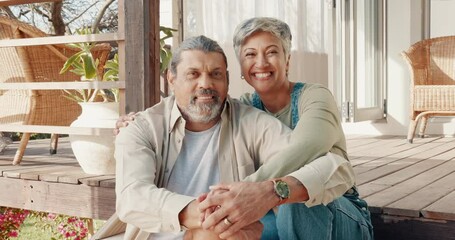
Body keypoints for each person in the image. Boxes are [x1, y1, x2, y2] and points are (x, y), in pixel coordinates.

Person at [113, 18, 373, 240]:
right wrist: (217, 211)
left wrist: (258, 193)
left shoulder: (299, 102)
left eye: (215, 74)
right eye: (193, 74)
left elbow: (318, 156)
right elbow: (132, 197)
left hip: (329, 208)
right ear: (171, 79)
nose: (206, 84)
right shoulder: (145, 126)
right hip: (207, 225)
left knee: (289, 201)